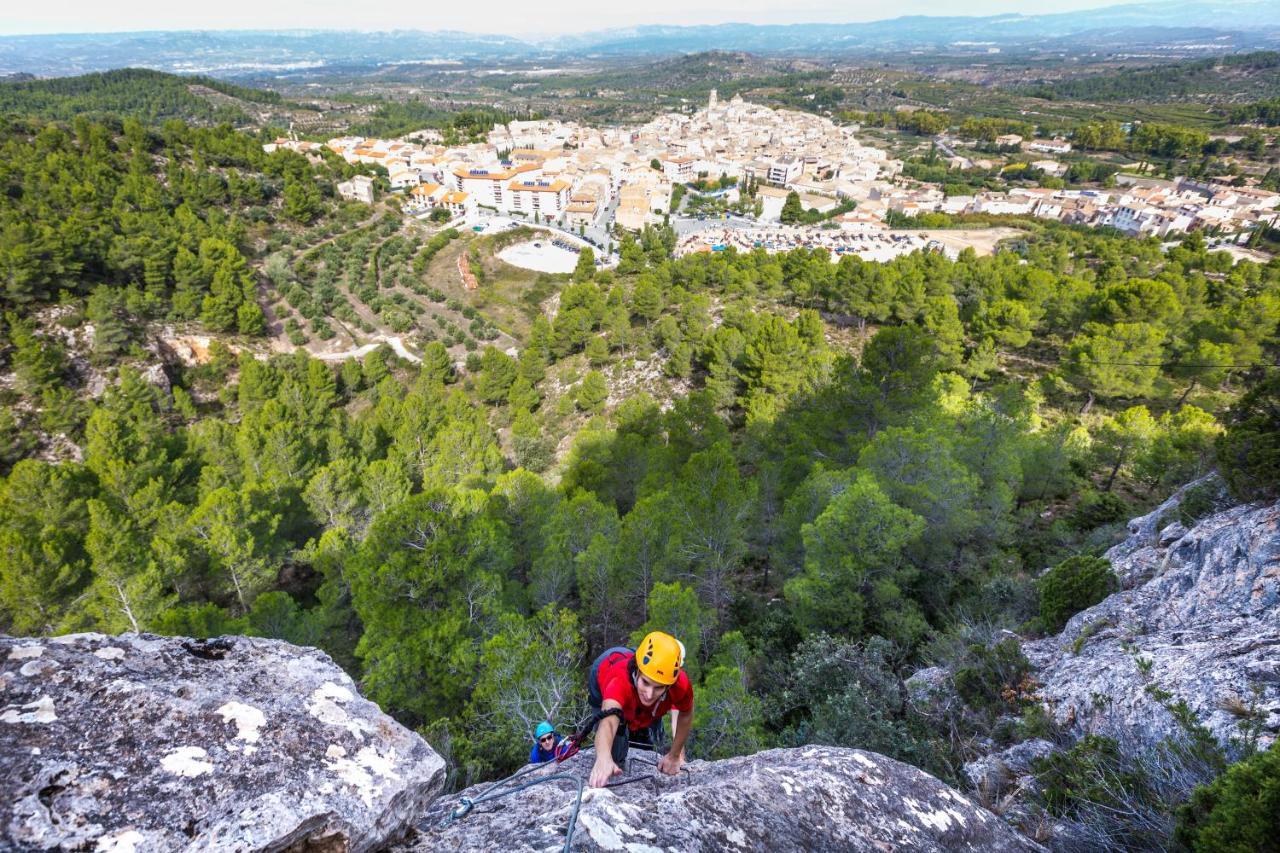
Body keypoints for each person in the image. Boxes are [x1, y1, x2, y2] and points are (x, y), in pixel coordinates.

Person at [587, 631, 693, 788]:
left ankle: (638, 726)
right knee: (615, 755)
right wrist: (603, 758)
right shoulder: (619, 680)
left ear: (669, 685)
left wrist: (675, 755)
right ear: (636, 670)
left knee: (649, 718)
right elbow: (608, 722)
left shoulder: (679, 684)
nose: (650, 694)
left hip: (640, 663)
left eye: (659, 688)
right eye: (645, 682)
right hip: (605, 668)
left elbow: (685, 715)